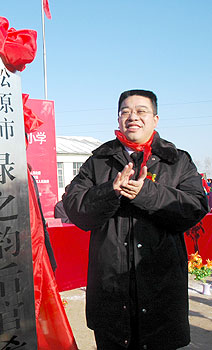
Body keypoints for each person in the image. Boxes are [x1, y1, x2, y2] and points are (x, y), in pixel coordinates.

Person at [63, 89, 209, 349]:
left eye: (141, 111)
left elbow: (195, 207)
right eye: (125, 112)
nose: (133, 117)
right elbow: (74, 207)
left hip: (162, 293)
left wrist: (148, 193)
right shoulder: (99, 161)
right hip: (109, 291)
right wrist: (110, 191)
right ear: (118, 120)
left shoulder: (177, 161)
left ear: (155, 119)